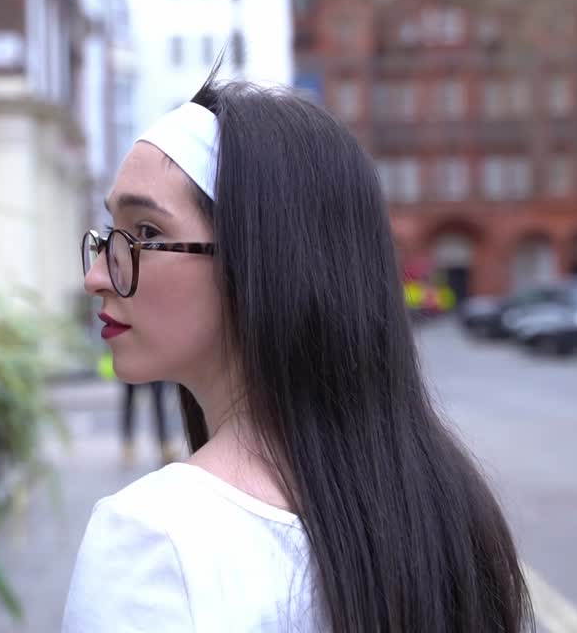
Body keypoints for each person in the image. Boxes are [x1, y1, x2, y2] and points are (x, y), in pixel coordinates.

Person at [66, 66, 530, 632]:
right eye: (107, 235)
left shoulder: (154, 542)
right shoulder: (451, 508)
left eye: (145, 235)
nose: (97, 275)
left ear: (262, 261)